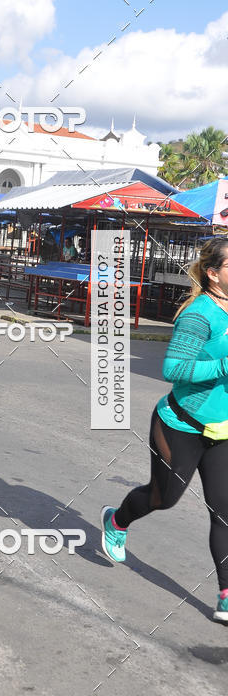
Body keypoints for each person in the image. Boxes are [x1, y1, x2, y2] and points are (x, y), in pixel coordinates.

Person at [101, 237, 228, 623]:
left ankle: (226, 594)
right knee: (164, 497)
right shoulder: (199, 315)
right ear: (213, 273)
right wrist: (223, 366)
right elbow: (173, 369)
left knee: (224, 512)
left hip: (223, 431)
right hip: (180, 425)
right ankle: (117, 520)